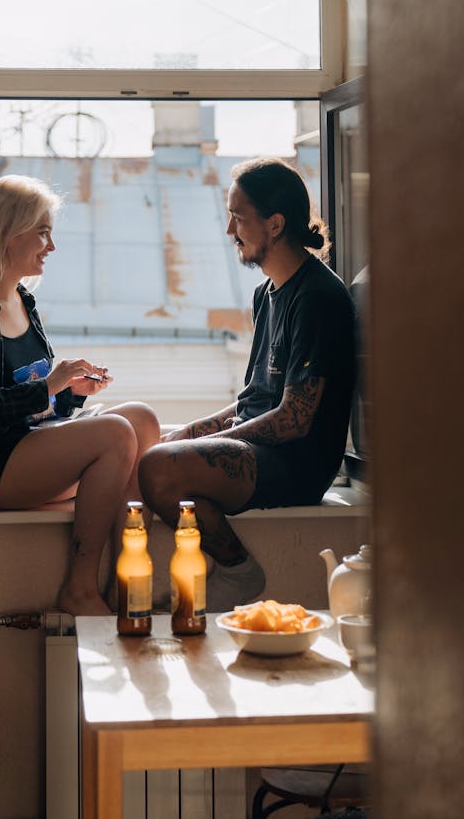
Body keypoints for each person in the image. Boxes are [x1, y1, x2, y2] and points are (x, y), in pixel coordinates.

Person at [0, 174, 159, 616]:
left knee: (142, 419)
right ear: (7, 233)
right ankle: (80, 587)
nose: (51, 246)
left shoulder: (23, 301)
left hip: (25, 451)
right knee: (113, 434)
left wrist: (69, 393)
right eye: (43, 232)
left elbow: (38, 403)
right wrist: (48, 386)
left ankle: (127, 579)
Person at [138, 157, 356, 612]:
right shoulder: (267, 294)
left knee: (160, 468)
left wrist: (207, 440)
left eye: (238, 218)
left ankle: (238, 570)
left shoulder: (318, 297)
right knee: (152, 446)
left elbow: (295, 419)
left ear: (275, 224)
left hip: (296, 465)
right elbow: (253, 401)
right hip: (260, 451)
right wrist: (190, 432)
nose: (229, 231)